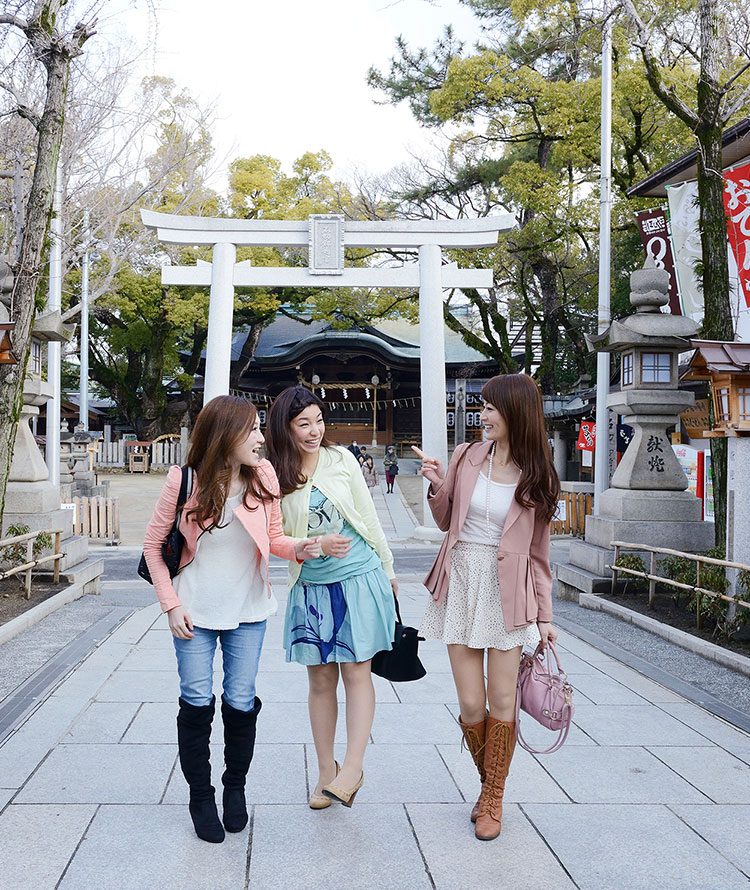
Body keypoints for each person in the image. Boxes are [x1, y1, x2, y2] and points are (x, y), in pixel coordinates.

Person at [143, 395, 320, 844]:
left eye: (261, 428)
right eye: (253, 430)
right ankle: (201, 797)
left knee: (241, 702)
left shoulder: (263, 476)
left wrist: (301, 547)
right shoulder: (183, 481)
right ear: (225, 436)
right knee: (197, 702)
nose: (261, 438)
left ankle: (234, 788)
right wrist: (171, 603)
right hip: (194, 612)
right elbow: (152, 548)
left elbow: (275, 538)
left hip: (248, 610)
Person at [413, 374, 559, 841]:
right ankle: (487, 786)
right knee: (471, 702)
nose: (483, 415)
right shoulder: (467, 455)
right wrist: (438, 484)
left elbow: (538, 553)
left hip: (508, 588)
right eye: (483, 406)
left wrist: (545, 617)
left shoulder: (538, 473)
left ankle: (492, 798)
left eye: (492, 407)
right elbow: (443, 521)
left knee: (501, 699)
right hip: (462, 579)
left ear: (515, 412)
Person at [265, 386, 398, 809]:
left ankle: (353, 768)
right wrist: (313, 543)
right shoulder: (272, 473)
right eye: (303, 423)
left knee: (358, 672)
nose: (314, 431)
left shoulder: (342, 460)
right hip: (310, 586)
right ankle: (326, 770)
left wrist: (388, 569)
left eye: (319, 421)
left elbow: (368, 517)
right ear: (285, 428)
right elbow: (273, 538)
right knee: (321, 681)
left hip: (358, 577)